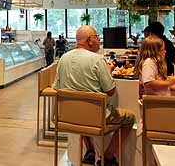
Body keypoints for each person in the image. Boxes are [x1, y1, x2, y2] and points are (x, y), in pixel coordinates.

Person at [54, 26, 135, 166]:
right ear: (90, 40)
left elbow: (57, 87)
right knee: (130, 118)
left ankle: (90, 150)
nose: (99, 40)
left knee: (81, 110)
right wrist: (109, 71)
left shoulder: (63, 58)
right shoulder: (98, 60)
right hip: (95, 119)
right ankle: (108, 157)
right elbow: (110, 91)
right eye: (97, 37)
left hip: (68, 117)